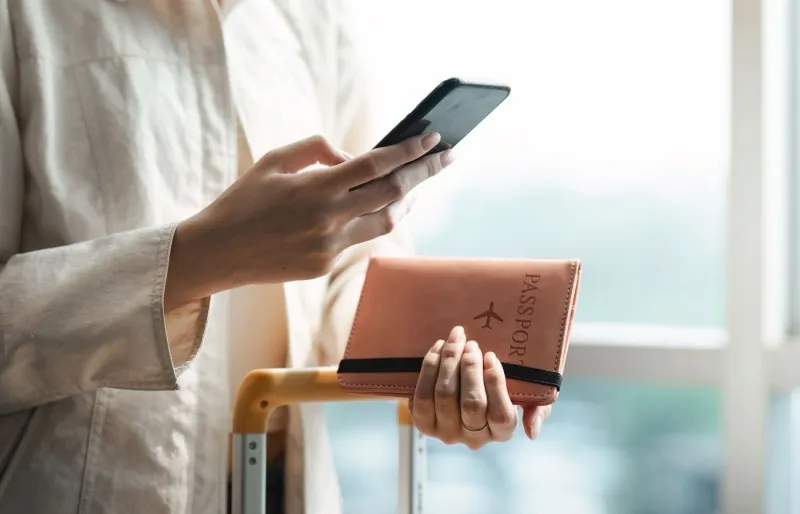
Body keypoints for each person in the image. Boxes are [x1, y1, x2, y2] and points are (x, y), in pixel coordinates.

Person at [0, 1, 552, 513]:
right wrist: (203, 256)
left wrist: (437, 371)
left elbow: (355, 262)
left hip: (284, 487)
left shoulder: (311, 18)